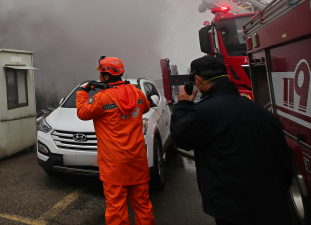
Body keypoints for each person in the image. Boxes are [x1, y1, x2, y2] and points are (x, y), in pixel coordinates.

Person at [170, 55, 294, 225]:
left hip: (233, 210)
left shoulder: (203, 113)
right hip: (273, 204)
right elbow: (284, 157)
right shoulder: (261, 111)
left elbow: (180, 138)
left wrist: (183, 105)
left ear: (197, 79)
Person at [76, 56, 155, 225]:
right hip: (137, 160)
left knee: (116, 209)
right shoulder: (137, 93)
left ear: (105, 76)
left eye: (101, 74)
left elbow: (83, 113)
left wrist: (83, 91)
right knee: (143, 206)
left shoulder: (102, 98)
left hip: (114, 164)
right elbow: (146, 107)